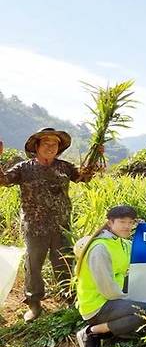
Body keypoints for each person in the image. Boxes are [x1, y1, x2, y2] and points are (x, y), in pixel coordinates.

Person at [0, 128, 100, 321]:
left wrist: (95, 155)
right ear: (36, 146)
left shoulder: (65, 167)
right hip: (34, 225)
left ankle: (69, 296)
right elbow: (3, 180)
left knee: (64, 261)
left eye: (54, 144)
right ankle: (34, 303)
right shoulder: (24, 168)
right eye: (46, 143)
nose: (50, 147)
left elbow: (83, 177)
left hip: (61, 225)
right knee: (34, 264)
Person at [75, 205, 146, 347]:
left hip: (111, 299)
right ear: (110, 223)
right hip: (98, 305)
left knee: (145, 304)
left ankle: (118, 330)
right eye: (122, 222)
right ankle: (91, 332)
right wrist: (128, 301)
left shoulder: (121, 242)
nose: (127, 226)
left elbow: (144, 250)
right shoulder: (100, 248)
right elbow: (106, 288)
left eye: (131, 222)